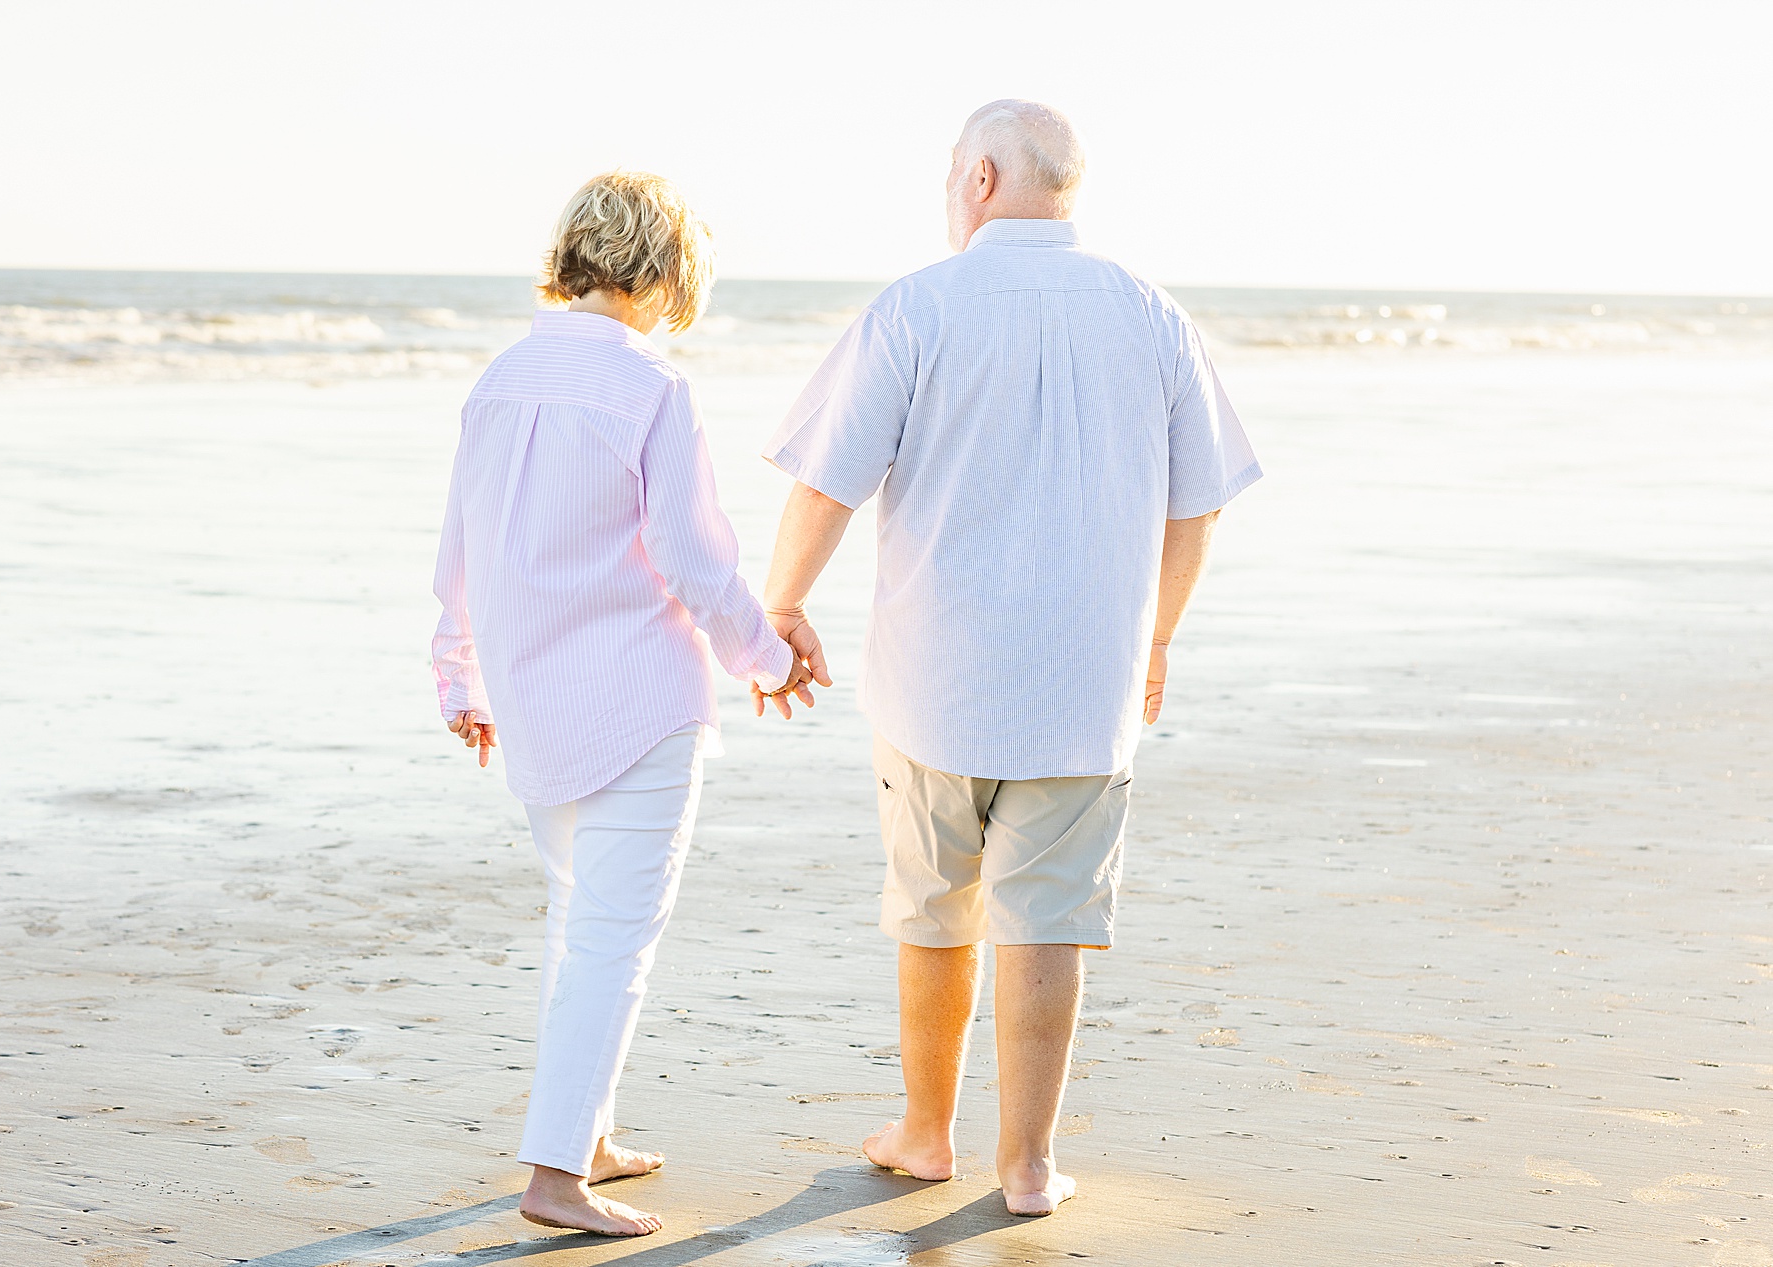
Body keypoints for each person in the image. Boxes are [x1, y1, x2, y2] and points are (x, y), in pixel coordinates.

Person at [757, 100, 1261, 1216]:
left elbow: (825, 483)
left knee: (936, 905)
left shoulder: (917, 308)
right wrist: (1159, 633)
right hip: (1086, 680)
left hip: (934, 678)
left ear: (981, 178)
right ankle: (1027, 1164)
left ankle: (926, 1134)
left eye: (950, 173)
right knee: (1050, 914)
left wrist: (780, 607)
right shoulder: (1151, 313)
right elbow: (1199, 506)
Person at [430, 171, 815, 1237]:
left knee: (579, 921)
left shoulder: (500, 378)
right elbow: (690, 555)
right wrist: (768, 660)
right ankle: (555, 1175)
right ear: (660, 269)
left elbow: (461, 546)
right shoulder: (651, 385)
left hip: (533, 696)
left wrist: (458, 675)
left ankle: (584, 1133)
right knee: (613, 934)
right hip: (639, 702)